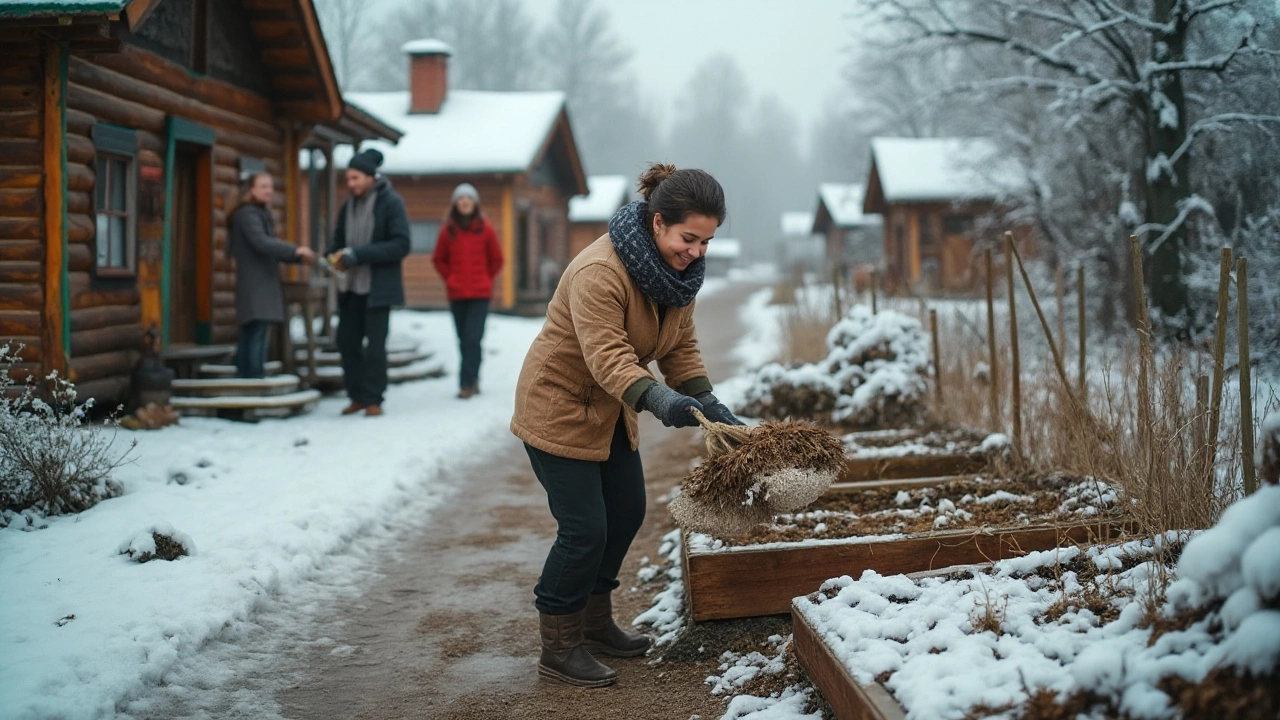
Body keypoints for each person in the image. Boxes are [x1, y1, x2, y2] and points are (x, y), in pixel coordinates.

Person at [510, 164, 745, 688]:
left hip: (609, 410)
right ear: (659, 223)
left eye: (707, 241)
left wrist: (708, 400)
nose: (698, 252)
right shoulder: (601, 271)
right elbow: (608, 357)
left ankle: (593, 624)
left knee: (627, 510)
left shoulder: (676, 276)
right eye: (689, 238)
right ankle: (559, 644)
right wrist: (663, 402)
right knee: (584, 528)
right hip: (560, 404)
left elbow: (679, 346)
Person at [326, 148, 410, 417]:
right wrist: (334, 256)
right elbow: (338, 241)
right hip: (350, 288)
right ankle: (356, 396)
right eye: (348, 179)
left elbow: (401, 244)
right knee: (347, 341)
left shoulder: (391, 203)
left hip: (378, 288)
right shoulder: (347, 206)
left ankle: (374, 399)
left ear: (370, 177)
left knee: (375, 347)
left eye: (355, 178)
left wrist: (358, 255)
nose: (350, 184)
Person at [226, 172, 315, 379]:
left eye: (271, 186)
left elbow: (267, 245)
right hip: (255, 284)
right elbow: (262, 243)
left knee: (254, 332)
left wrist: (297, 257)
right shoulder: (248, 215)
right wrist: (295, 251)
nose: (269, 191)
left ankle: (248, 380)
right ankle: (253, 381)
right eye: (264, 186)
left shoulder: (256, 213)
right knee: (255, 333)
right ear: (252, 190)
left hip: (259, 282)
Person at [431, 183, 504, 399]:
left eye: (468, 199)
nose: (464, 202)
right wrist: (450, 279)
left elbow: (497, 259)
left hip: (480, 295)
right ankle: (472, 380)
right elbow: (438, 259)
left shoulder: (486, 228)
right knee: (463, 339)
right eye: (461, 199)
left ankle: (466, 383)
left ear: (474, 203)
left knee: (473, 339)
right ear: (455, 204)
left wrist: (485, 279)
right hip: (457, 294)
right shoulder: (448, 230)